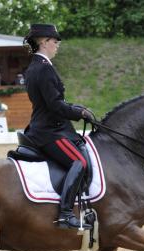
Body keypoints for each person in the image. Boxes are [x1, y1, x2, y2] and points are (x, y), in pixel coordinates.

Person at [23, 23, 95, 230]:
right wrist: (78, 112)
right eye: (55, 41)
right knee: (79, 161)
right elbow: (54, 105)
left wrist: (75, 107)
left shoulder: (35, 66)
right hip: (49, 131)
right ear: (43, 42)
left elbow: (52, 102)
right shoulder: (43, 69)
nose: (57, 45)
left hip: (49, 126)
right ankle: (65, 214)